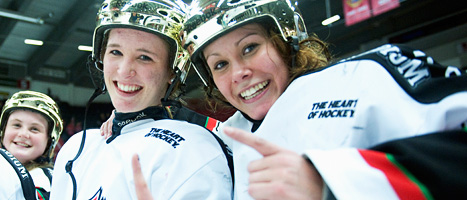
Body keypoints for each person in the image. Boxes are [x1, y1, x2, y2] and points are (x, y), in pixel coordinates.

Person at [110, 0, 467, 199]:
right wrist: (127, 125)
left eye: (250, 48)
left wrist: (331, 181)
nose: (238, 73)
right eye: (220, 64)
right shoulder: (224, 138)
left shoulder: (368, 75)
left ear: (285, 38)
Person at [49, 0, 232, 199]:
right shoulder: (76, 147)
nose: (124, 70)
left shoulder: (193, 150)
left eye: (144, 57)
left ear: (174, 70)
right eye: (115, 52)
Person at [0, 90, 64, 200]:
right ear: (3, 131)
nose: (23, 134)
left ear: (49, 141)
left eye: (34, 129)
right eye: (16, 125)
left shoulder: (49, 184)